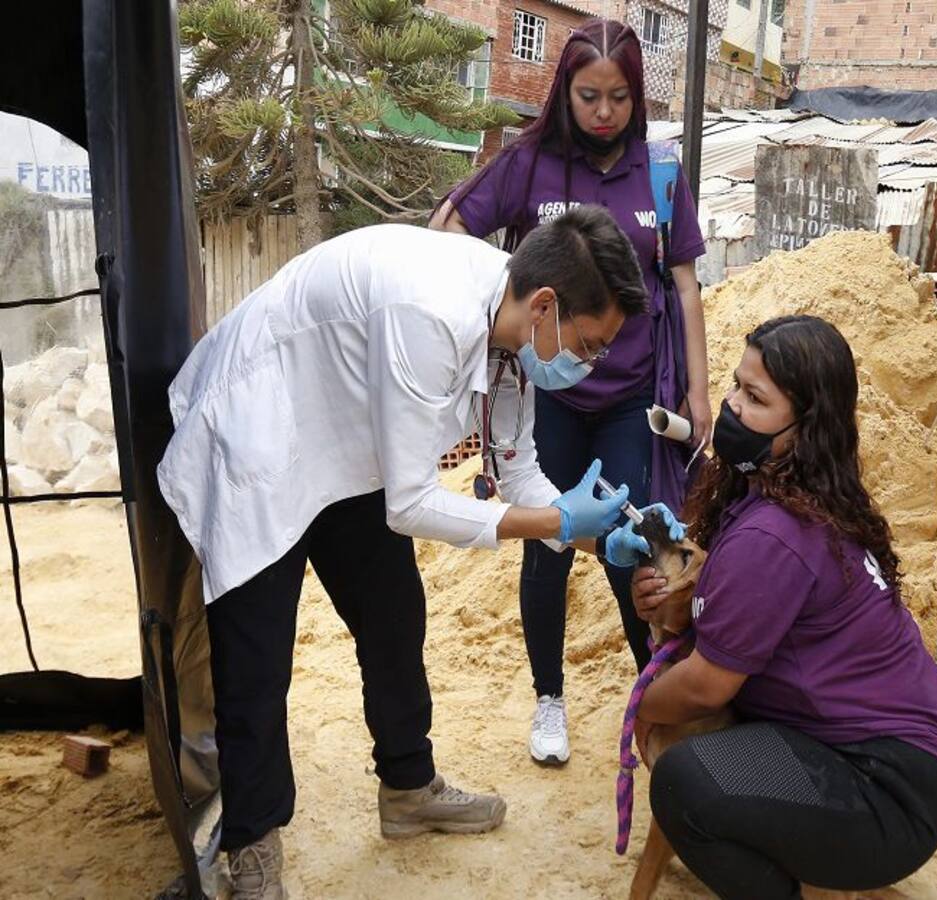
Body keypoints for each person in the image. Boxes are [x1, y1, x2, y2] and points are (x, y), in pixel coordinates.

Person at [156, 206, 683, 898]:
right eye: (589, 344)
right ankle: (253, 845)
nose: (592, 362)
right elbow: (410, 506)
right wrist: (553, 519)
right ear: (547, 306)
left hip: (347, 439)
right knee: (256, 653)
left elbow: (519, 472)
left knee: (394, 613)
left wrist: (601, 532)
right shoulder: (429, 314)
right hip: (265, 427)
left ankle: (407, 788)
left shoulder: (513, 330)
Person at [430, 19, 710, 765]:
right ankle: (548, 702)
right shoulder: (531, 163)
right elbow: (449, 227)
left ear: (637, 97)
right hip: (546, 400)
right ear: (566, 92)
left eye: (619, 97)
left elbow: (683, 283)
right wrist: (477, 330)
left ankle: (653, 696)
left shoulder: (661, 174)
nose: (604, 112)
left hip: (626, 403)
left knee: (632, 548)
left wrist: (701, 395)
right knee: (548, 543)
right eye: (589, 95)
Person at [630, 316, 937, 898]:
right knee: (702, 750)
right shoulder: (778, 487)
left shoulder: (775, 534)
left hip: (889, 789)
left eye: (754, 399)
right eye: (736, 386)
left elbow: (707, 687)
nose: (731, 407)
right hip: (877, 750)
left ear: (805, 428)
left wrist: (639, 708)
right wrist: (665, 601)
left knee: (684, 783)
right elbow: (724, 607)